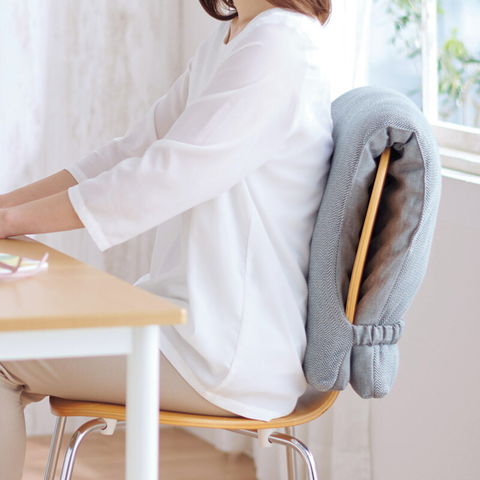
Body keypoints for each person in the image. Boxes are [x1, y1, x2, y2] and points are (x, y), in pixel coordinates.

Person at [0, 0, 333, 477]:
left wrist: (12, 221)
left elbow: (161, 178)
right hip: (187, 327)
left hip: (223, 351)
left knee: (4, 353)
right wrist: (6, 209)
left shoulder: (279, 43)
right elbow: (131, 151)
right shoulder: (235, 38)